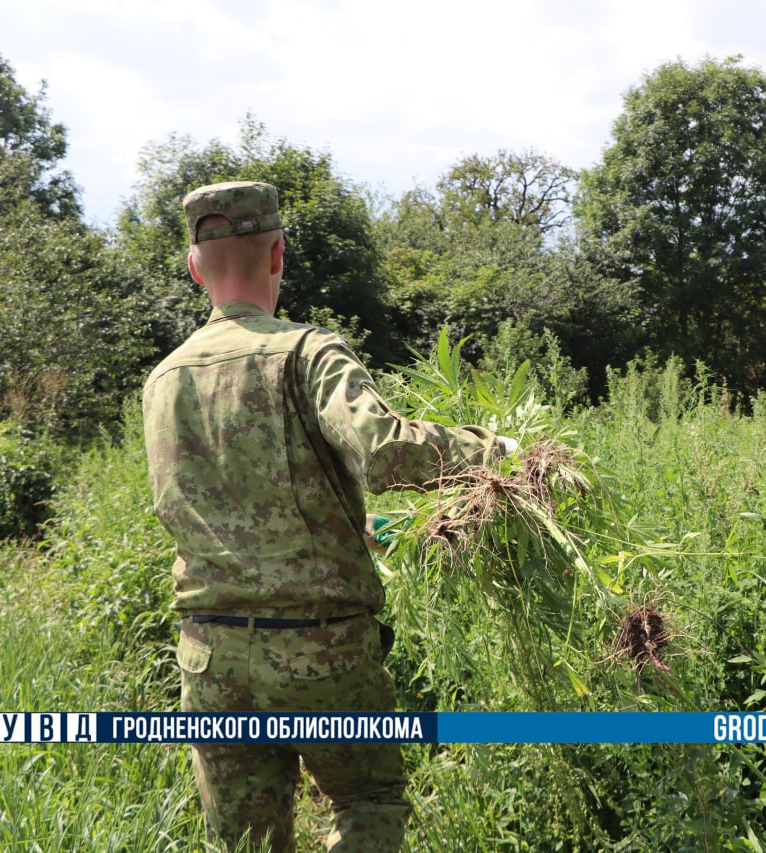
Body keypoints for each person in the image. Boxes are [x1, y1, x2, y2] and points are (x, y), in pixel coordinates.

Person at [142, 180, 510, 852]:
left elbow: (204, 507)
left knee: (245, 840)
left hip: (211, 653)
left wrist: (351, 522)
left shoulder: (162, 380)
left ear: (195, 267)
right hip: (323, 646)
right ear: (279, 253)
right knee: (367, 799)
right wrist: (499, 453)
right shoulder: (309, 351)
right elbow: (383, 449)